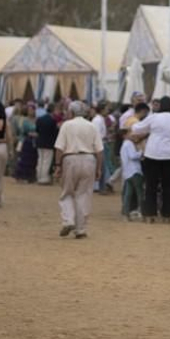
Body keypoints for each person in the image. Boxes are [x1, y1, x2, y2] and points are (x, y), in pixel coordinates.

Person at [131, 98, 170, 223]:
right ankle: (167, 215)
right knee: (168, 185)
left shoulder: (154, 117)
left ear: (160, 106)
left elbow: (137, 128)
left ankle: (150, 214)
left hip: (153, 153)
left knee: (151, 185)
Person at [53, 101, 102, 238]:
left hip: (70, 159)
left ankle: (68, 220)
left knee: (67, 192)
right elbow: (99, 150)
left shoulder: (67, 125)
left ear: (71, 112)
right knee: (84, 194)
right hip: (89, 159)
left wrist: (57, 165)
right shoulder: (92, 126)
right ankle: (81, 229)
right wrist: (98, 168)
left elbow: (59, 148)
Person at [120, 104, 147, 220]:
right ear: (126, 135)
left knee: (128, 194)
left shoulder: (124, 145)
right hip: (135, 172)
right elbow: (132, 156)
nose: (133, 134)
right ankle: (142, 212)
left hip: (128, 173)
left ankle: (126, 213)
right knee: (140, 193)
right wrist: (141, 152)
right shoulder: (129, 144)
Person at [35, 107, 58, 184]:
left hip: (40, 141)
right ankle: (43, 178)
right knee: (46, 161)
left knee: (40, 159)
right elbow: (54, 133)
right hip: (49, 143)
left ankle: (38, 176)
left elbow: (37, 130)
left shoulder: (40, 119)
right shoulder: (52, 121)